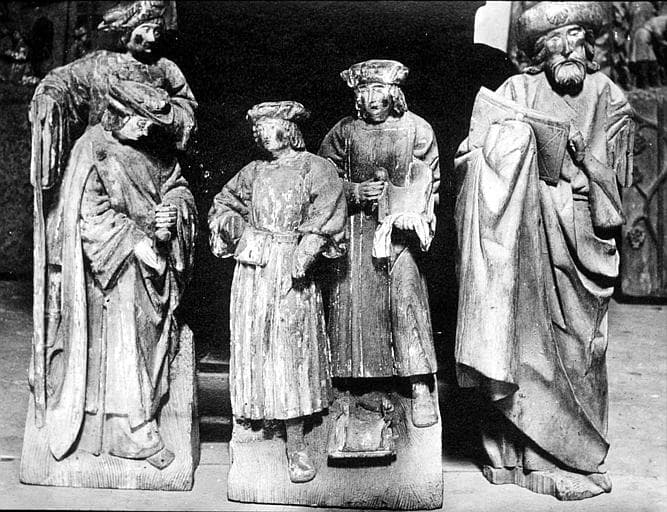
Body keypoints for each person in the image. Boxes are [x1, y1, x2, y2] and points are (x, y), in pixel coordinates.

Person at [455, 1, 634, 501]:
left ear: (589, 44)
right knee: (521, 338)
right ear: (540, 51)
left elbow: (620, 181)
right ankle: (520, 454)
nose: (569, 49)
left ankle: (577, 455)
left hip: (581, 233)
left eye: (577, 38)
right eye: (557, 40)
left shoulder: (609, 96)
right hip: (524, 234)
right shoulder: (517, 90)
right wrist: (505, 151)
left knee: (583, 349)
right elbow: (473, 153)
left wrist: (585, 158)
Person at [27, 0, 197, 467]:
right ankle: (122, 427)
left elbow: (183, 133)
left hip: (147, 252)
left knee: (141, 325)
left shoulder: (166, 80)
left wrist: (173, 217)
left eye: (157, 28)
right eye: (142, 28)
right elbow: (62, 84)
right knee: (109, 324)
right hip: (107, 248)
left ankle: (136, 421)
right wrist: (47, 100)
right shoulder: (99, 80)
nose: (151, 37)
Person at [208, 101, 346, 483]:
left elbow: (329, 212)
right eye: (260, 129)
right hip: (253, 269)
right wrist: (232, 225)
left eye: (271, 126)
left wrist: (306, 251)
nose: (264, 134)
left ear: (290, 128)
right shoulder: (254, 171)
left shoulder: (314, 167)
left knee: (290, 352)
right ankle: (257, 427)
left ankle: (296, 441)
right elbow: (223, 204)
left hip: (289, 265)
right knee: (255, 345)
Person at [318, 59, 440, 428]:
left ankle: (418, 383)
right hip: (356, 233)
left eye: (379, 90)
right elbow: (322, 179)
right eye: (365, 91)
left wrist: (415, 211)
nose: (372, 98)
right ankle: (352, 384)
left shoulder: (417, 129)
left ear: (394, 92)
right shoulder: (344, 132)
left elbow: (430, 181)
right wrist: (355, 190)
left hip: (400, 233)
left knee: (405, 301)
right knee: (355, 303)